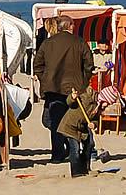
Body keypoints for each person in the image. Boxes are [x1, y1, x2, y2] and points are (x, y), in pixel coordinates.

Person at [32, 15, 91, 165]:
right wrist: (83, 84)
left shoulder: (48, 43)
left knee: (56, 122)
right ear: (70, 26)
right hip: (74, 89)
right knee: (74, 121)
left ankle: (58, 155)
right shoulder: (79, 42)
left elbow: (37, 64)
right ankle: (75, 152)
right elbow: (88, 65)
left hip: (53, 89)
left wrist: (44, 79)